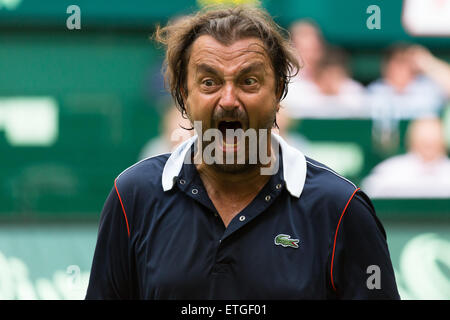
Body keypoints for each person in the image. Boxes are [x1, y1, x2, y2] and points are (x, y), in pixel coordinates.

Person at [86, 5, 399, 299]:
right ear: (183, 95)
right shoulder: (132, 198)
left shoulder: (341, 208)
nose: (229, 100)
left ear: (278, 92)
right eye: (209, 82)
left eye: (249, 81)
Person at [283, 24, 367, 119]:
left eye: (315, 49)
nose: (311, 56)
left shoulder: (347, 86)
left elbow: (360, 105)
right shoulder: (286, 85)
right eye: (304, 50)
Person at [362, 117, 450, 198]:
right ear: (411, 141)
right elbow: (369, 190)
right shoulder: (391, 169)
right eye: (424, 142)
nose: (429, 144)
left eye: (433, 142)